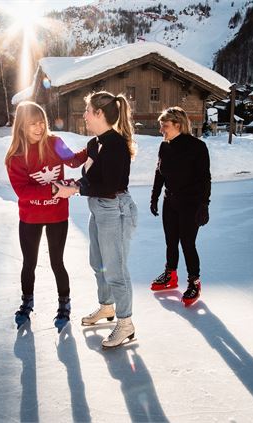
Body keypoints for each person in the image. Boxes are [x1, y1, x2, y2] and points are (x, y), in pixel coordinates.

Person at [54, 91, 138, 349]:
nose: (85, 116)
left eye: (88, 111)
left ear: (100, 113)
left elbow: (111, 185)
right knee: (98, 263)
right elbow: (92, 180)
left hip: (116, 209)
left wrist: (76, 190)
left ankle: (125, 323)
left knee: (116, 269)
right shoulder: (95, 143)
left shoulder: (116, 145)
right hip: (99, 208)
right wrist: (71, 184)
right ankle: (106, 308)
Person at [5, 101, 87, 332]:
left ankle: (64, 303)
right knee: (29, 263)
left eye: (42, 122)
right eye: (33, 123)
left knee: (56, 262)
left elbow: (73, 160)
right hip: (30, 217)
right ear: (22, 125)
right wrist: (54, 189)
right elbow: (23, 191)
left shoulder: (54, 143)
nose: (39, 127)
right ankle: (26, 302)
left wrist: (94, 145)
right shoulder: (16, 157)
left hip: (56, 214)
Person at [149, 107, 211, 307]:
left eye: (164, 126)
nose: (161, 130)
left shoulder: (197, 147)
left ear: (178, 124)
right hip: (171, 201)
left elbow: (205, 179)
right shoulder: (164, 146)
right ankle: (170, 275)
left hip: (190, 204)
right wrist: (154, 197)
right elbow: (159, 173)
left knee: (187, 243)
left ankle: (194, 281)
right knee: (170, 241)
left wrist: (204, 205)